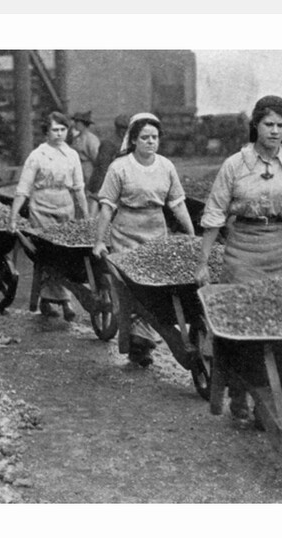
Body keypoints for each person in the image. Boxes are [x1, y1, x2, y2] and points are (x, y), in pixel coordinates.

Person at [194, 95, 282, 418]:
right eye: (269, 124)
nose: (275, 131)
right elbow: (214, 215)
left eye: (281, 125)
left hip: (280, 247)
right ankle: (240, 392)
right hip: (242, 248)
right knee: (243, 326)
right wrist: (202, 262)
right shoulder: (235, 165)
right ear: (256, 124)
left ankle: (271, 400)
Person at [92, 112, 196, 367]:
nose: (151, 142)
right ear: (134, 140)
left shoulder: (166, 166)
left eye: (155, 137)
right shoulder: (120, 167)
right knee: (132, 289)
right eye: (145, 137)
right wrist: (99, 240)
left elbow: (177, 203)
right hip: (126, 232)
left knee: (156, 288)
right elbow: (106, 207)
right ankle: (139, 343)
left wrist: (192, 235)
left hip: (156, 231)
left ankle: (143, 341)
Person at [9, 111, 88, 321]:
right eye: (55, 129)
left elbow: (79, 188)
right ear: (46, 131)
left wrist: (87, 216)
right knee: (50, 253)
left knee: (66, 253)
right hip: (41, 207)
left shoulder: (72, 155)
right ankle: (65, 301)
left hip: (65, 206)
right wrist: (13, 216)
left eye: (63, 129)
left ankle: (47, 298)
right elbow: (23, 188)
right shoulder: (38, 155)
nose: (60, 134)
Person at [86, 113, 129, 216]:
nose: (125, 132)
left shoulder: (129, 143)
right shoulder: (109, 143)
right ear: (118, 129)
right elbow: (102, 167)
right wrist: (98, 188)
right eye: (123, 129)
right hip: (106, 181)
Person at [71, 111, 101, 210]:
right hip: (76, 167)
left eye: (77, 122)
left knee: (87, 192)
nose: (75, 124)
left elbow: (96, 157)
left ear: (83, 124)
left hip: (87, 168)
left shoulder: (91, 139)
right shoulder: (76, 138)